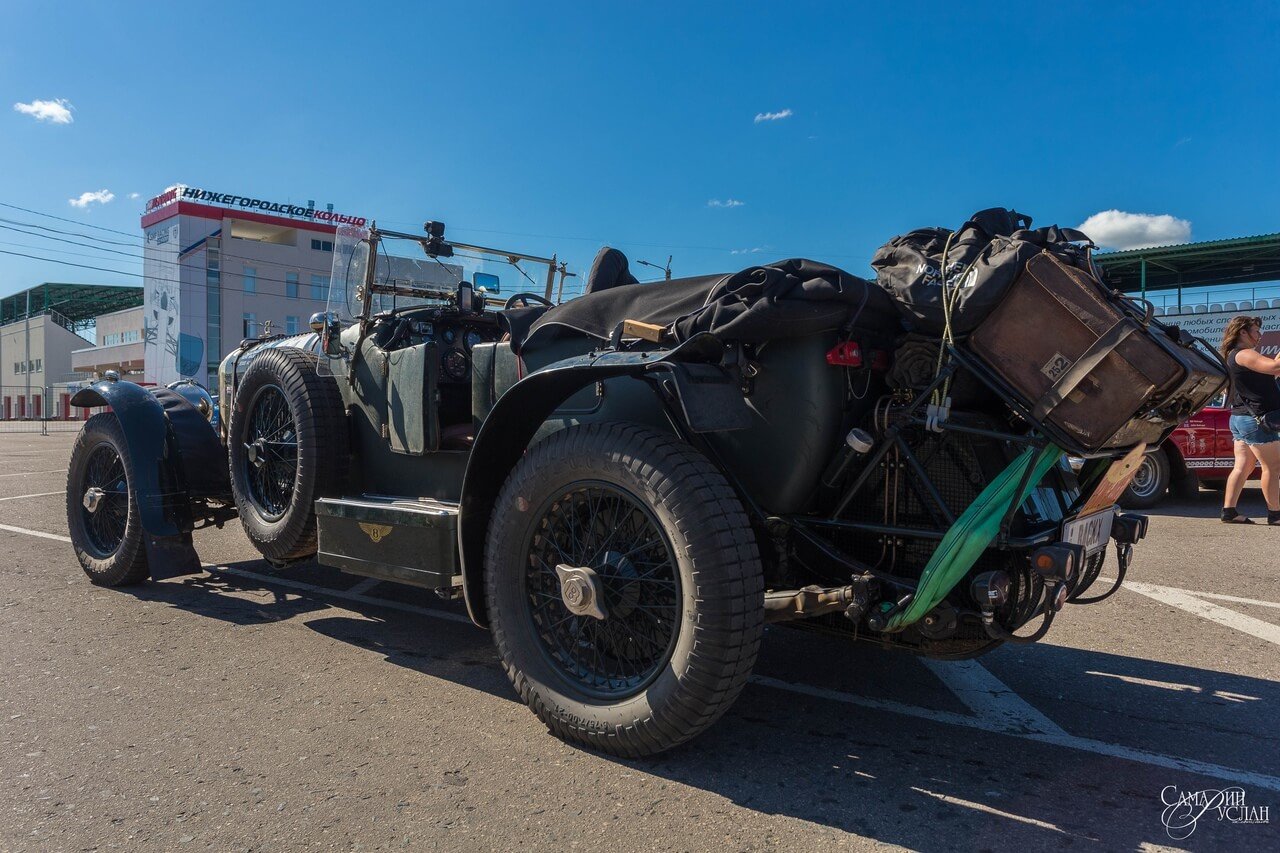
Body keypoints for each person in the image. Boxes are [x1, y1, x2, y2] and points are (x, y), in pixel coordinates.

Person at [1220, 316, 1280, 524]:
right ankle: (1275, 514)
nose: (1259, 336)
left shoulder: (1232, 355)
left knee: (1243, 466)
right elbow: (1275, 367)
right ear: (1242, 332)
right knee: (1273, 467)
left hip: (1240, 418)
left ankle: (1229, 512)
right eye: (1256, 331)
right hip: (1255, 421)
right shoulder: (1244, 354)